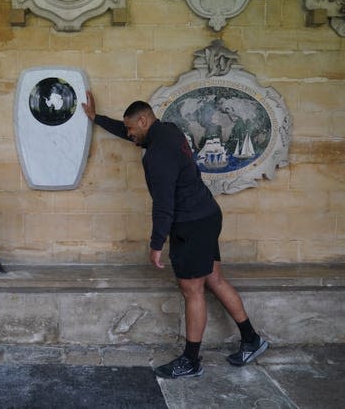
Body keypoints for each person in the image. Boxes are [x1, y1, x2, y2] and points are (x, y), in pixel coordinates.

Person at [81, 92, 268, 379]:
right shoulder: (166, 130)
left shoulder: (157, 154)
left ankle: (191, 361)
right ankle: (251, 339)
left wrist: (156, 244)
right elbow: (129, 132)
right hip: (206, 214)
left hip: (190, 224)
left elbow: (164, 204)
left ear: (143, 121)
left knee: (192, 289)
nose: (129, 136)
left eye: (131, 129)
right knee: (214, 279)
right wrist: (96, 119)